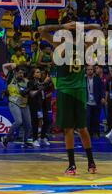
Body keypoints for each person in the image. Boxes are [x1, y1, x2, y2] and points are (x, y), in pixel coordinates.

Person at [38, 21, 99, 175]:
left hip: (65, 90)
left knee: (68, 129)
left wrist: (61, 26)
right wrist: (82, 26)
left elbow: (41, 30)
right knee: (83, 128)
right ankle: (91, 163)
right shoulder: (85, 46)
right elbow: (98, 28)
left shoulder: (61, 46)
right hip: (80, 91)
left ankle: (72, 166)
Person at [2, 67, 32, 148]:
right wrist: (14, 67)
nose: (21, 74)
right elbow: (6, 67)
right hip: (13, 103)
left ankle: (25, 141)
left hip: (24, 104)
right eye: (19, 73)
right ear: (15, 73)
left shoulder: (27, 81)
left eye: (22, 73)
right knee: (18, 121)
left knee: (28, 124)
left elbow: (30, 91)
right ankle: (6, 138)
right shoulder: (10, 79)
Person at [85, 65, 105, 138]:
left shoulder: (97, 79)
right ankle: (89, 134)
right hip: (87, 102)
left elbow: (102, 89)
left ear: (93, 70)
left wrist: (103, 97)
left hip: (96, 101)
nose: (90, 71)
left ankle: (96, 132)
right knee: (88, 118)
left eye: (91, 69)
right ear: (86, 71)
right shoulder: (84, 79)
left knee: (96, 118)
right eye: (88, 69)